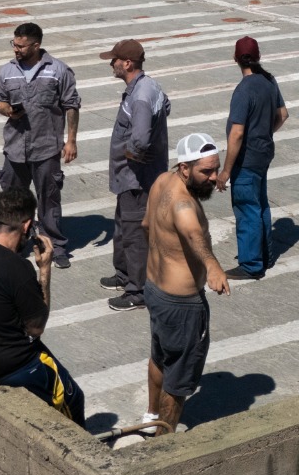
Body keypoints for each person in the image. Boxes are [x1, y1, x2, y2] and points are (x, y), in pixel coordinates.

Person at [0, 189, 85, 425]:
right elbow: (37, 328)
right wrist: (44, 269)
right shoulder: (17, 269)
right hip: (6, 366)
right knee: (72, 396)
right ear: (27, 226)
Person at [138, 133, 229, 436]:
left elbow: (146, 226)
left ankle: (151, 416)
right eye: (207, 172)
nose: (214, 178)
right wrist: (213, 266)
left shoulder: (162, 181)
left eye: (215, 169)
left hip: (154, 289)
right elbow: (193, 235)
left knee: (159, 357)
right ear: (185, 168)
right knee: (177, 384)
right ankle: (163, 444)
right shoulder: (183, 205)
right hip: (182, 305)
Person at [0, 23, 81, 269]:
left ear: (36, 45)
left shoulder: (58, 71)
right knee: (12, 200)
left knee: (49, 200)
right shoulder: (7, 71)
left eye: (21, 46)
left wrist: (71, 140)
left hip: (46, 149)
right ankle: (13, 245)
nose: (16, 50)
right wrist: (7, 110)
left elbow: (71, 105)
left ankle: (55, 246)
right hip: (15, 149)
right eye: (14, 44)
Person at [100, 38, 170, 312]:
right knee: (122, 226)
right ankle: (123, 274)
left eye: (114, 59)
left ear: (127, 63)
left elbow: (139, 140)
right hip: (129, 178)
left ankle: (137, 290)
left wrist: (129, 153)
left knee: (133, 234)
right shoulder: (148, 86)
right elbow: (167, 107)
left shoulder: (140, 96)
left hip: (137, 179)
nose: (111, 63)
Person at [217, 36, 288, 280]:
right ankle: (265, 255)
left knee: (247, 208)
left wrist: (225, 171)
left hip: (246, 159)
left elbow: (236, 134)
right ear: (258, 56)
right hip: (264, 153)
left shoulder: (243, 90)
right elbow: (283, 114)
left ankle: (251, 265)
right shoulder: (269, 81)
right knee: (260, 204)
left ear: (235, 59)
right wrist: (266, 133)